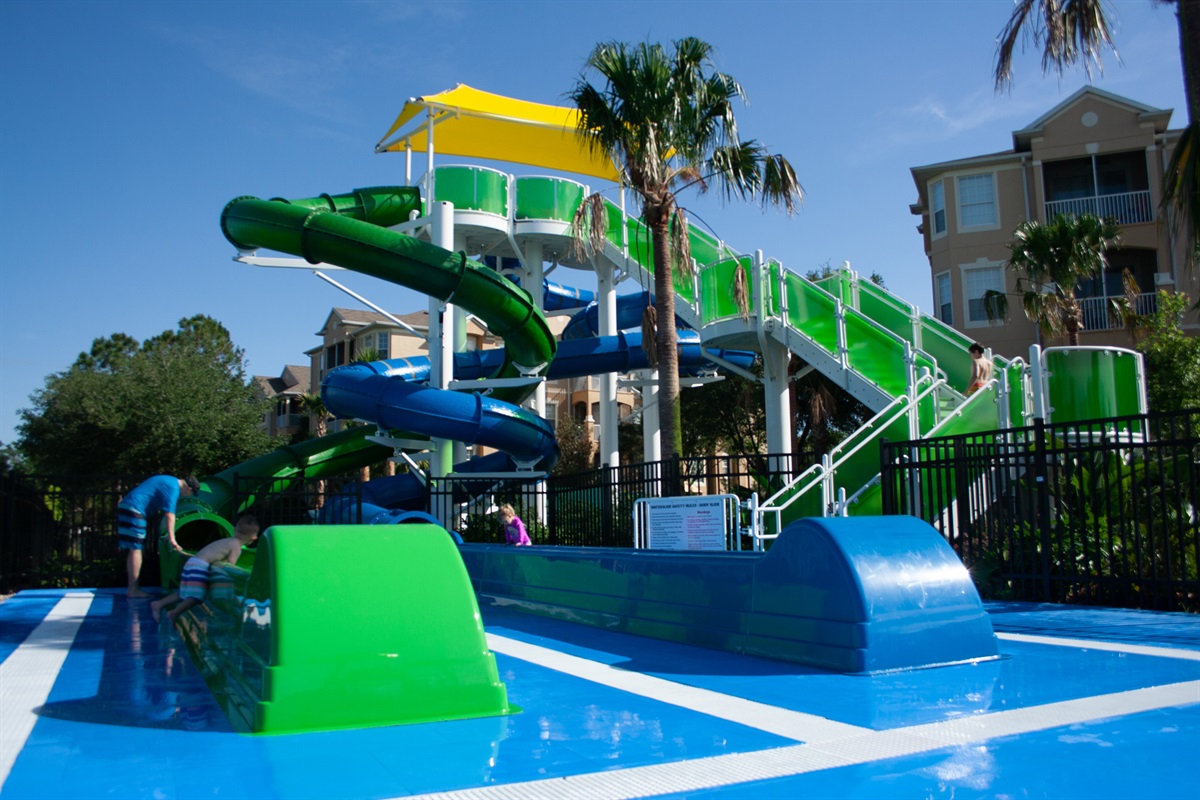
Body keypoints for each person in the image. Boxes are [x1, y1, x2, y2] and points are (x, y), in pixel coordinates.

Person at [151, 514, 260, 623]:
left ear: (235, 529)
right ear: (254, 537)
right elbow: (229, 568)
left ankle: (159, 604)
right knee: (196, 597)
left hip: (192, 562)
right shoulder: (236, 547)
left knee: (183, 593)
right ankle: (174, 613)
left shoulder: (227, 541)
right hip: (200, 566)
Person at [118, 474, 200, 597]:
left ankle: (132, 588)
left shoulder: (169, 480)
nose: (187, 496)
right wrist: (172, 538)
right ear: (189, 489)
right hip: (135, 509)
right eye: (191, 494)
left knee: (133, 548)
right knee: (136, 549)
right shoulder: (173, 488)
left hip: (127, 506)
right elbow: (169, 515)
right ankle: (133, 590)